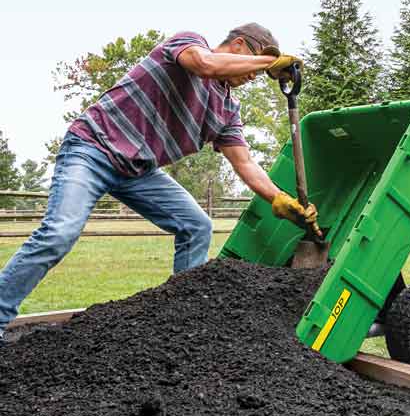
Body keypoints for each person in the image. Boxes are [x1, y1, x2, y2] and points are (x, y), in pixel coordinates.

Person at [0, 23, 317, 341]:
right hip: (93, 148)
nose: (255, 75)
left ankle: (180, 324)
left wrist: (280, 199)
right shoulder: (190, 43)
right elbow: (204, 65)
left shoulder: (227, 110)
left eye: (264, 68)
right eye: (258, 60)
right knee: (59, 233)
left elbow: (245, 164)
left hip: (137, 172)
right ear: (237, 45)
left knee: (197, 226)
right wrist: (269, 63)